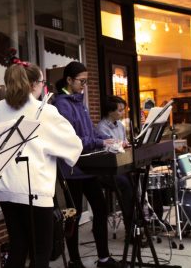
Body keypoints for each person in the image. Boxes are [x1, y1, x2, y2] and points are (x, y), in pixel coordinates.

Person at [0, 58, 83, 268]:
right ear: (35, 85)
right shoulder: (44, 112)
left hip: (6, 189)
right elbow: (73, 145)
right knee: (40, 254)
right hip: (35, 191)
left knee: (18, 247)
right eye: (43, 84)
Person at [52, 61, 120, 268]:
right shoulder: (61, 105)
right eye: (82, 81)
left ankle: (104, 258)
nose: (84, 85)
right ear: (69, 80)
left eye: (86, 81)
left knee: (100, 208)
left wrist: (109, 139)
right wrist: (100, 142)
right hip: (72, 169)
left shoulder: (79, 102)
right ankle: (74, 261)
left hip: (88, 167)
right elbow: (72, 140)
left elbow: (90, 131)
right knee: (74, 216)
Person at [96, 95, 134, 237]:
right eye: (119, 110)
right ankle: (130, 228)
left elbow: (124, 145)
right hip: (107, 169)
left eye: (123, 110)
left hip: (120, 166)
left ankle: (137, 222)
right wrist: (121, 145)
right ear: (110, 111)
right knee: (126, 185)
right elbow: (110, 150)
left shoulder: (121, 126)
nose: (122, 113)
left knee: (136, 181)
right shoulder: (101, 128)